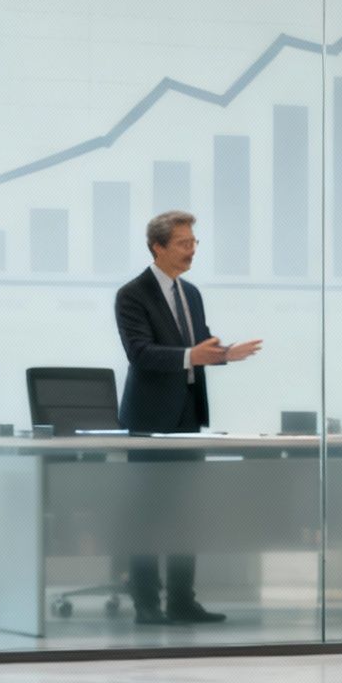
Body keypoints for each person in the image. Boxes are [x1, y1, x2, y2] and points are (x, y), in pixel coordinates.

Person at [114, 210, 261, 625]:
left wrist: (225, 354)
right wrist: (189, 356)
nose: (192, 249)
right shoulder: (132, 294)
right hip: (148, 419)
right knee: (147, 514)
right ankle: (146, 602)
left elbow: (201, 345)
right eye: (183, 243)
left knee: (185, 512)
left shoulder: (191, 293)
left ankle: (182, 600)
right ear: (158, 247)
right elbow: (140, 353)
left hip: (187, 416)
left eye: (194, 242)